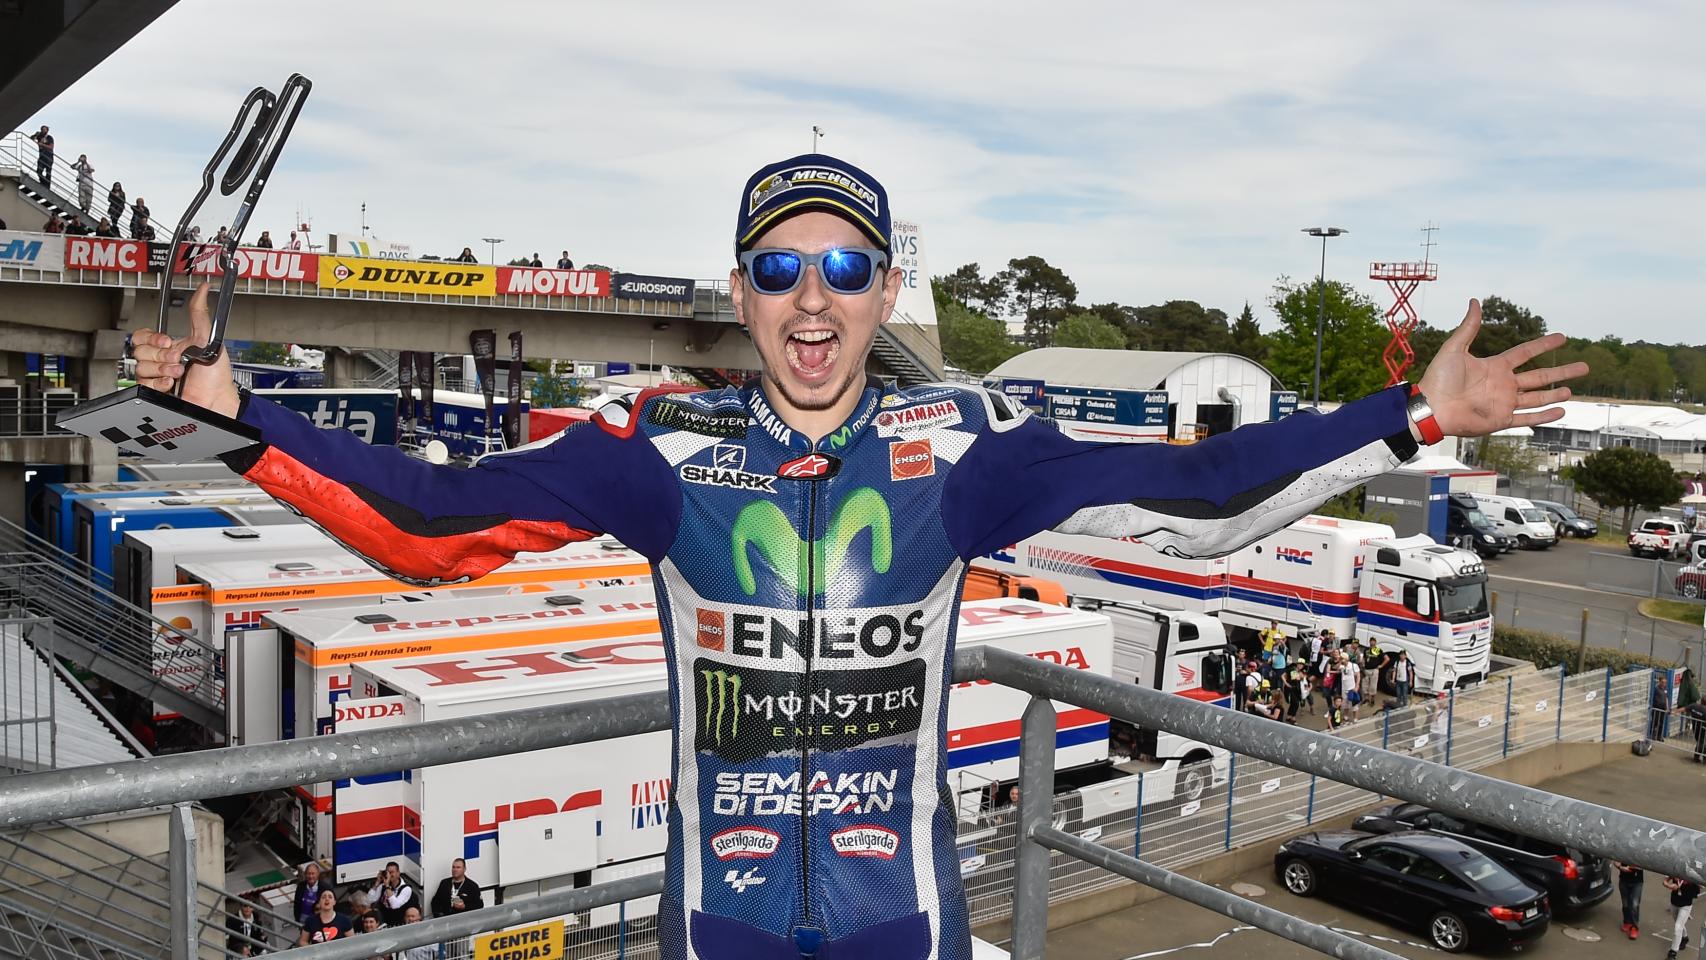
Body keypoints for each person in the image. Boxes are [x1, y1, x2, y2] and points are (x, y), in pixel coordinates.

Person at [126, 150, 1584, 960]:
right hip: (717, 921)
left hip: (908, 919)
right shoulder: (656, 443)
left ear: (886, 287)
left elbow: (1197, 495)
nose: (810, 301)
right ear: (740, 292)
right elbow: (428, 524)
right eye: (778, 269)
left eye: (842, 268)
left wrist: (1408, 416)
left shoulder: (970, 444)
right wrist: (241, 419)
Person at [368, 861, 418, 927]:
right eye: (388, 873)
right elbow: (369, 900)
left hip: (400, 925)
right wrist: (377, 883)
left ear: (398, 873)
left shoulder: (406, 889)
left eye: (391, 872)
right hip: (386, 923)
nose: (389, 875)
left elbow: (394, 905)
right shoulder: (383, 886)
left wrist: (387, 886)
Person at [1666, 874, 1700, 960]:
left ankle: (1672, 953)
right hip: (1674, 902)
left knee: (1678, 927)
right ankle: (1685, 937)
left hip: (1686, 905)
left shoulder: (1692, 875)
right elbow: (1665, 881)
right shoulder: (1676, 871)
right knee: (1679, 924)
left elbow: (1697, 891)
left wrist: (1688, 885)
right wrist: (1669, 885)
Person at [291, 862, 335, 927]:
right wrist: (297, 919)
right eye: (308, 874)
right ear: (305, 874)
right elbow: (296, 904)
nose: (311, 876)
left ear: (318, 874)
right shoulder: (301, 886)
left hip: (319, 923)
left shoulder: (325, 888)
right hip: (303, 922)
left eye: (313, 873)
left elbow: (332, 906)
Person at [1615, 860, 1644, 940]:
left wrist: (1631, 867)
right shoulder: (1623, 852)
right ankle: (1627, 922)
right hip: (1624, 880)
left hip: (1637, 881)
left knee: (1635, 904)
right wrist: (1620, 867)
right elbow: (1615, 861)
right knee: (1625, 903)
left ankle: (1634, 927)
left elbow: (1645, 864)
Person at [1342, 652, 1363, 721]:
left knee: (1354, 703)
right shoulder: (1341, 666)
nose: (1341, 660)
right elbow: (1335, 667)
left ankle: (1355, 718)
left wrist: (1357, 686)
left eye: (1342, 659)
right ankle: (1346, 716)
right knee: (1345, 703)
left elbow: (1358, 676)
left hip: (1352, 687)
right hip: (1344, 688)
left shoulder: (1353, 666)